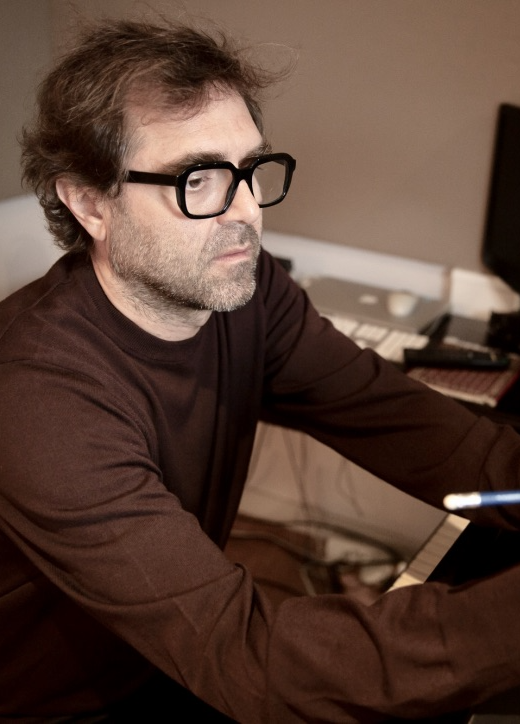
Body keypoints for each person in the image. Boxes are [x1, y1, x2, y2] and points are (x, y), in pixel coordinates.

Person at [2, 16, 520, 724]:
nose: (247, 211)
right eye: (199, 179)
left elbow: (408, 424)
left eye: (250, 170)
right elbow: (245, 659)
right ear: (90, 202)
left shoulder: (247, 291)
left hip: (167, 656)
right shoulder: (36, 398)